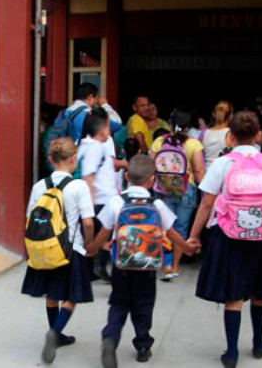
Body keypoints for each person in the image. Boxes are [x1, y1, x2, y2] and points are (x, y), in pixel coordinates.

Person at [188, 112, 262, 368]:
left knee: (234, 294)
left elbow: (207, 203)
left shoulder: (223, 163)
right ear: (258, 136)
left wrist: (195, 234)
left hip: (230, 235)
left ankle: (231, 352)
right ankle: (258, 343)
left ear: (230, 137)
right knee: (260, 291)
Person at [88, 155, 195, 367]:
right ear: (152, 180)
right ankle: (143, 346)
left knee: (119, 303)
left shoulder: (117, 202)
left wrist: (93, 248)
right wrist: (187, 247)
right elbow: (171, 233)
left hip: (122, 265)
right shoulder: (157, 205)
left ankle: (110, 337)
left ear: (126, 176)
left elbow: (104, 232)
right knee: (144, 304)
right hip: (147, 266)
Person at [22, 138, 95, 363]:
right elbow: (88, 222)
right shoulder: (79, 186)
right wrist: (90, 245)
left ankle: (57, 333)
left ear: (51, 160)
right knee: (71, 297)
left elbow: (29, 219)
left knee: (52, 294)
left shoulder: (39, 186)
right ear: (73, 159)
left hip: (45, 249)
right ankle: (55, 333)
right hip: (70, 250)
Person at [150, 109, 205, 282]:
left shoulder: (159, 141)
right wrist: (205, 192)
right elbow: (198, 170)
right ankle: (175, 265)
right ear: (188, 126)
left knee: (166, 227)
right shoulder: (194, 144)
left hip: (162, 189)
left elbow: (151, 165)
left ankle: (165, 265)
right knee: (181, 228)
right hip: (186, 189)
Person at [79, 113, 120, 281]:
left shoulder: (85, 145)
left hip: (99, 198)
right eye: (108, 127)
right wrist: (89, 202)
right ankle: (98, 266)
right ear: (102, 131)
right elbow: (88, 175)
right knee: (103, 234)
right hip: (100, 199)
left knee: (96, 235)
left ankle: (93, 269)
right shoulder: (95, 148)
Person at [202, 101, 233, 165]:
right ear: (230, 116)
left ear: (213, 114)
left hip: (207, 172)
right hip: (223, 172)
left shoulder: (203, 133)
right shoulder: (230, 134)